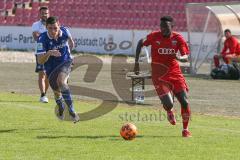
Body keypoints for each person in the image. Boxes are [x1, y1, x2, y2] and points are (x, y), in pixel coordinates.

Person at [134, 16, 191, 137]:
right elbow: (140, 42)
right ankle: (169, 111)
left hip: (175, 74)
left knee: (185, 102)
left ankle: (185, 130)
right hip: (159, 75)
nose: (163, 29)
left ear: (172, 27)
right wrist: (136, 63)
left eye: (166, 27)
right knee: (169, 104)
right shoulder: (154, 36)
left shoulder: (178, 38)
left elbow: (185, 56)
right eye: (161, 26)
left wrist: (180, 58)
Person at [36, 16, 79, 123]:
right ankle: (61, 106)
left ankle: (72, 110)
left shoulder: (64, 31)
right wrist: (49, 53)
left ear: (59, 25)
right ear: (46, 27)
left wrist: (71, 42)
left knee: (61, 81)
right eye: (50, 28)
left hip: (66, 61)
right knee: (56, 92)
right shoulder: (42, 39)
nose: (53, 31)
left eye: (55, 28)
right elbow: (40, 61)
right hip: (50, 67)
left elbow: (70, 39)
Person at [32, 6, 50, 103]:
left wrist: (42, 35)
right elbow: (36, 37)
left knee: (48, 76)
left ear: (49, 14)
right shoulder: (35, 24)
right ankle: (43, 94)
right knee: (42, 74)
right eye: (43, 13)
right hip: (40, 52)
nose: (45, 15)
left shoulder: (52, 25)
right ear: (40, 14)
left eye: (46, 13)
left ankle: (44, 94)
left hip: (51, 53)